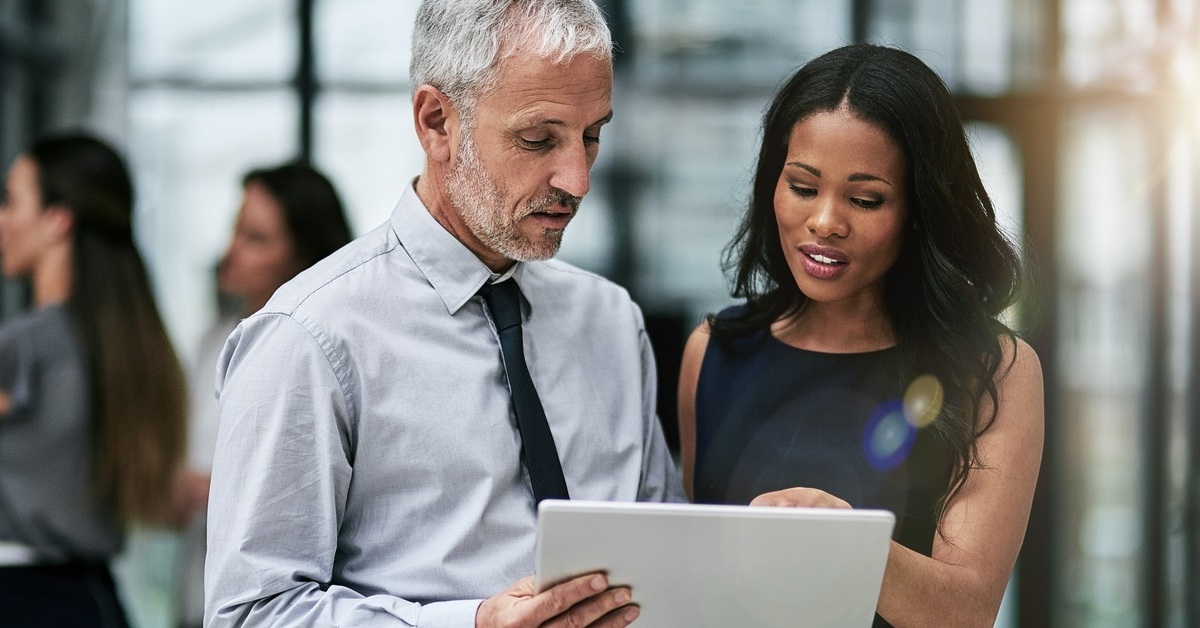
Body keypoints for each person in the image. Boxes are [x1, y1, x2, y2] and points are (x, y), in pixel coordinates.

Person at [204, 1, 684, 626]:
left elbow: (659, 573)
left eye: (592, 136)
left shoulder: (612, 323)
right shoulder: (309, 338)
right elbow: (250, 613)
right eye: (539, 139)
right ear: (436, 124)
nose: (578, 179)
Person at [677, 44, 1044, 627]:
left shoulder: (992, 368)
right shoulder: (714, 350)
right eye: (802, 187)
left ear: (920, 208)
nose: (825, 222)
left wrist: (843, 540)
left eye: (865, 199)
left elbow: (966, 612)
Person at [0, 132, 187, 626]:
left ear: (58, 220)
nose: (2, 220)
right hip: (93, 602)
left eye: (10, 200)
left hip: (20, 602)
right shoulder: (124, 344)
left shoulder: (26, 346)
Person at [175, 162, 352, 628]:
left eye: (255, 238)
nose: (230, 252)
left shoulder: (330, 356)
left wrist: (219, 489)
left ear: (304, 256)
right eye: (235, 232)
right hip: (204, 592)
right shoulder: (214, 341)